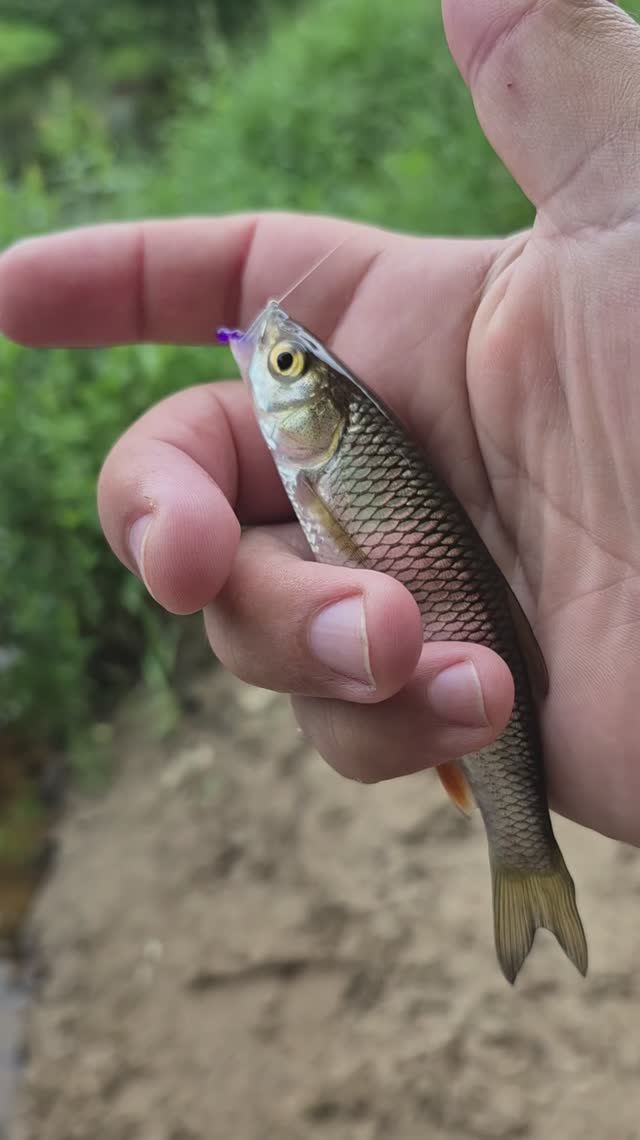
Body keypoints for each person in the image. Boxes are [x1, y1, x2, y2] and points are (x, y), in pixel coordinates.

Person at [1, 0, 639, 845]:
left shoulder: (322, 464)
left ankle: (521, 846)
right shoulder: (319, 462)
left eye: (287, 365)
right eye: (284, 362)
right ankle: (521, 843)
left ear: (321, 414)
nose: (271, 359)